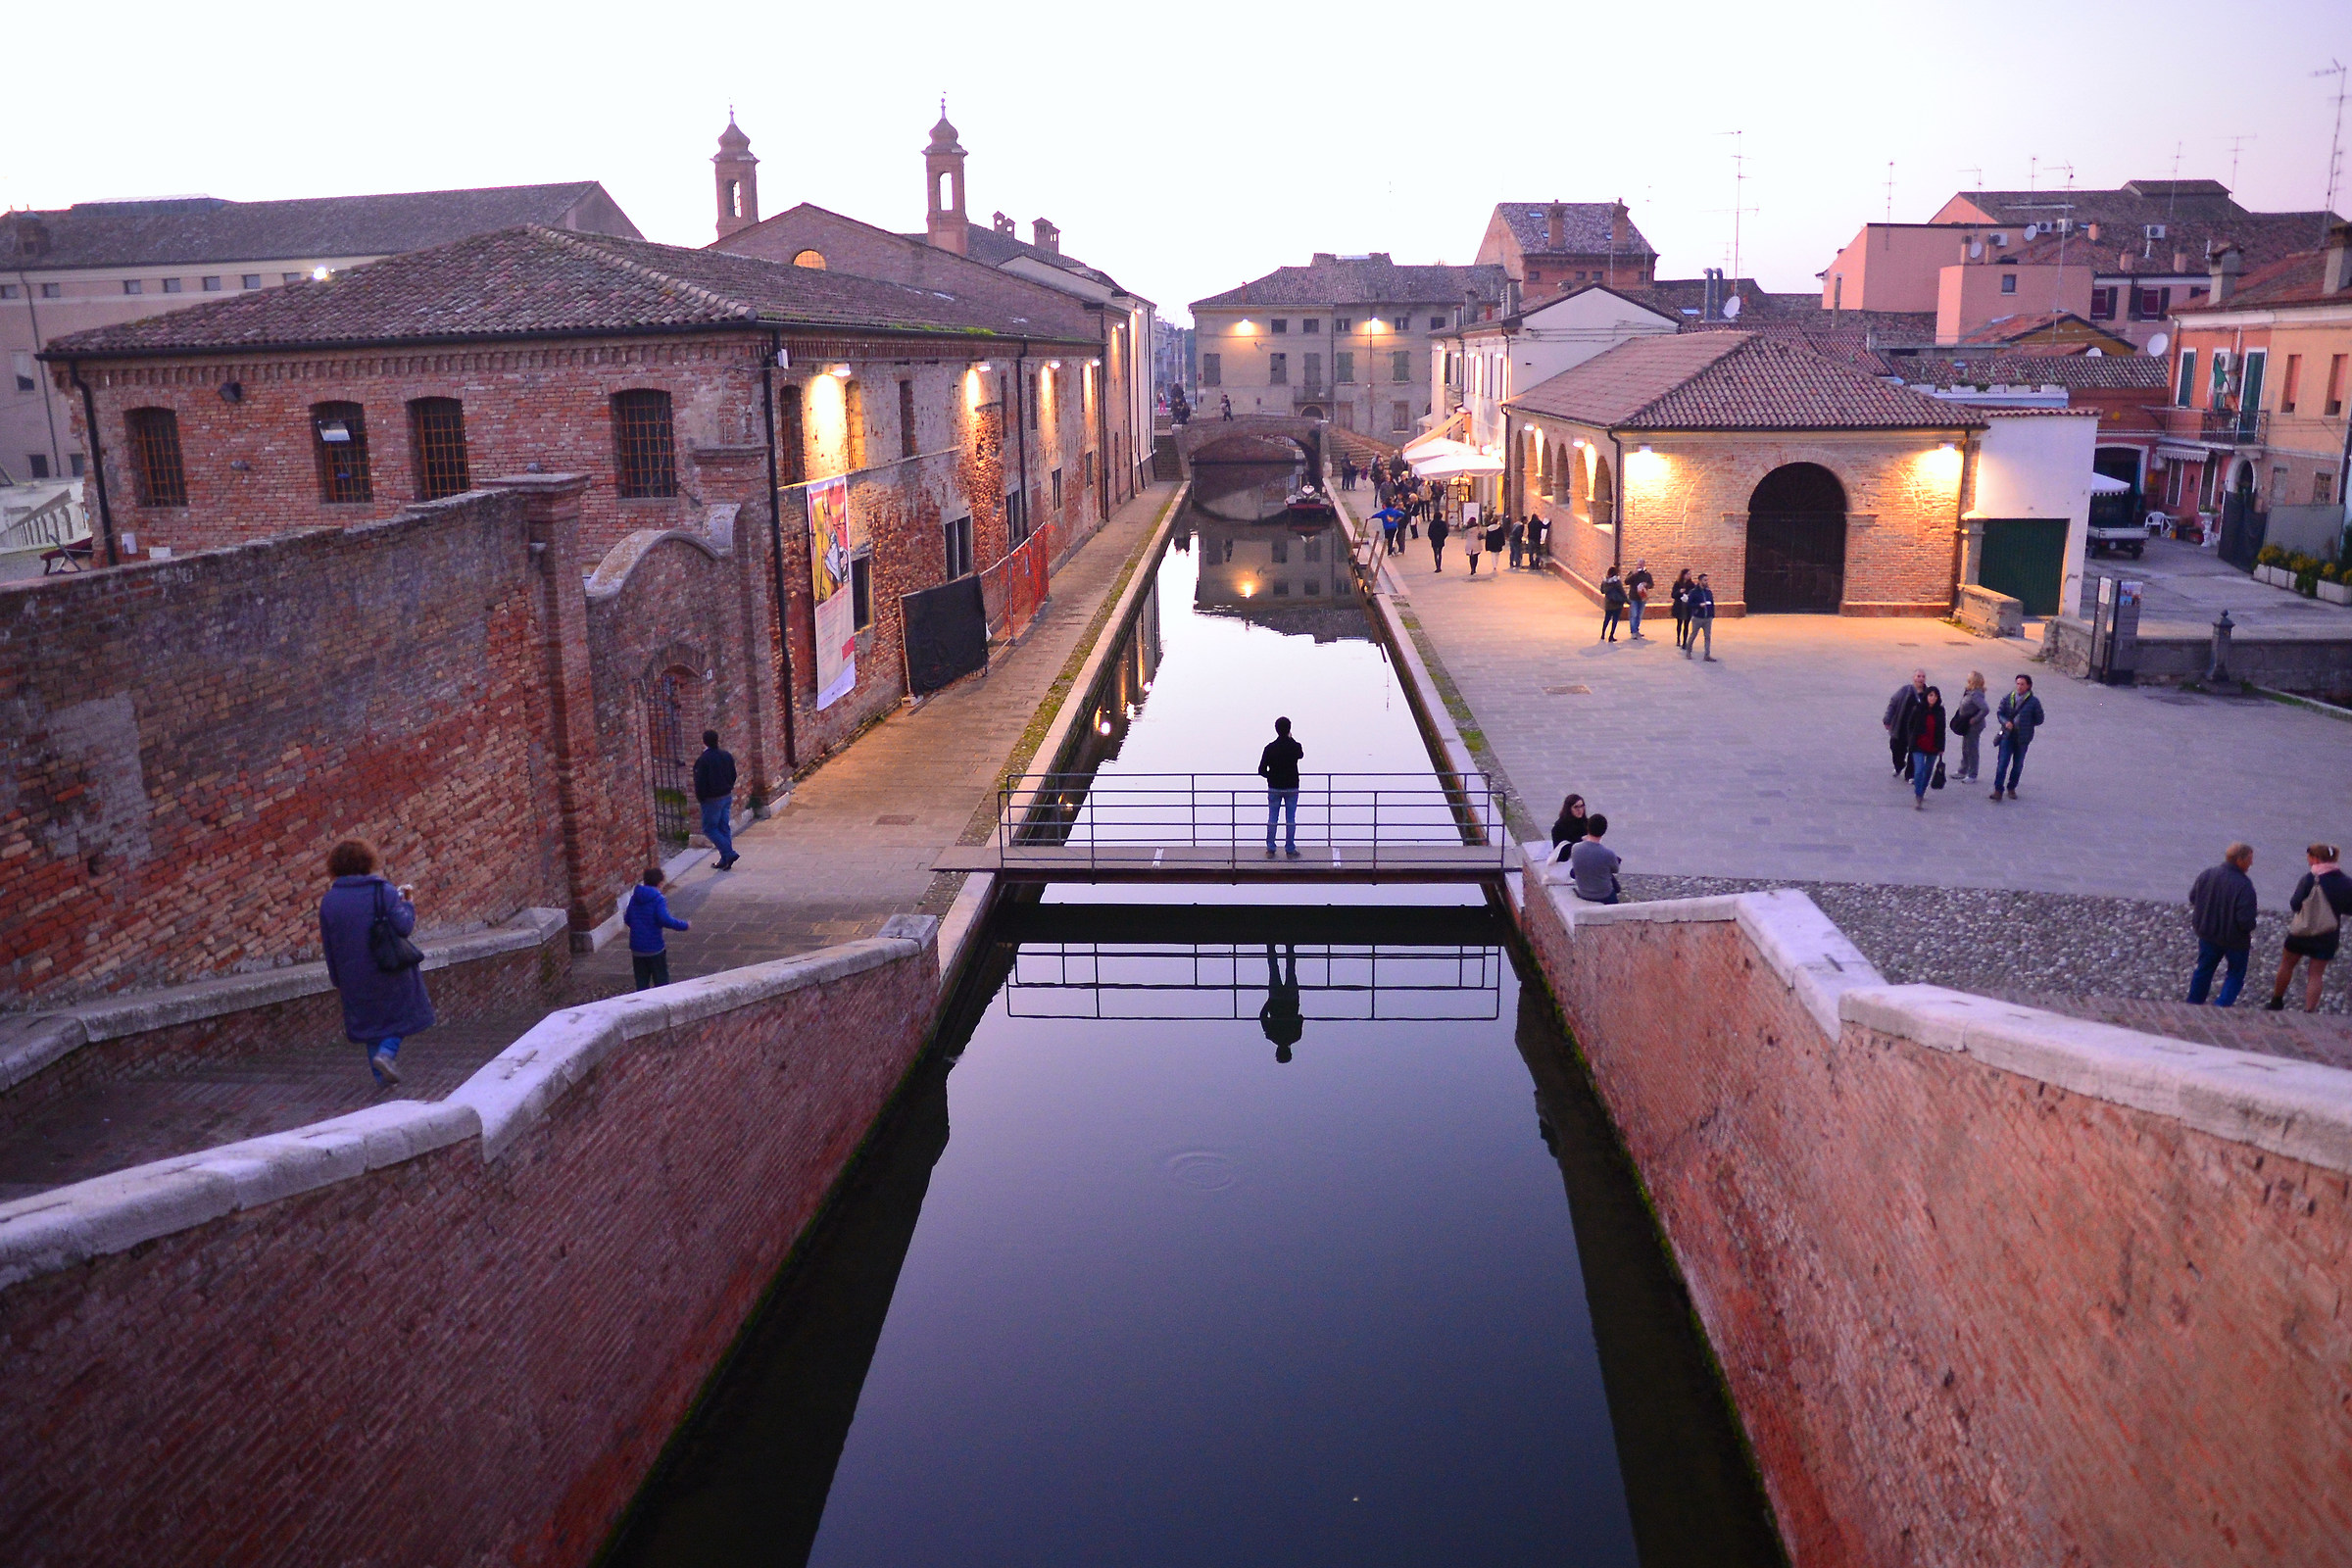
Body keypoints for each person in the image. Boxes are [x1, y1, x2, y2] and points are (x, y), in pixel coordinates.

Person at [318, 839, 434, 1086]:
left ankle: (382, 1079)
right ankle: (387, 1053)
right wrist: (408, 905)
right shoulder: (384, 891)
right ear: (367, 861)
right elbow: (403, 927)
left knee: (371, 1024)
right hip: (388, 968)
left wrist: (337, 977)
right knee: (403, 1014)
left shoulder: (329, 901)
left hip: (353, 973)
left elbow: (329, 944)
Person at [2267, 843, 2352, 1012]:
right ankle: (2309, 1011)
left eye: (2309, 857)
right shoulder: (2346, 882)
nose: (2308, 861)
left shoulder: (2309, 879)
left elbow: (2295, 904)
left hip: (2301, 932)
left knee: (2287, 964)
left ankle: (2276, 1001)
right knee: (2316, 974)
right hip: (2327, 933)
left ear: (2315, 858)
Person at [2186, 843, 2258, 1006]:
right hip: (2235, 940)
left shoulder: (2207, 875)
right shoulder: (2244, 885)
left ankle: (2193, 1003)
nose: (2251, 863)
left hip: (2207, 934)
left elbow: (2193, 898)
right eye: (2249, 859)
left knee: (2204, 970)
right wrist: (2250, 926)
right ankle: (2221, 1007)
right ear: (2240, 860)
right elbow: (2245, 920)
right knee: (2235, 974)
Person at [625, 866, 692, 990]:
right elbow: (664, 919)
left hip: (637, 947)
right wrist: (684, 925)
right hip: (654, 947)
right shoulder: (658, 899)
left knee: (641, 981)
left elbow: (628, 919)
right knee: (661, 980)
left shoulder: (635, 897)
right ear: (660, 883)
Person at [1989, 673, 2043, 802]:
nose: (2019, 686)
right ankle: (1998, 790)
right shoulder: (2008, 697)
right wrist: (2005, 722)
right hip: (2008, 735)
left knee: (2018, 765)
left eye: (2022, 684)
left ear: (2028, 686)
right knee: (2002, 763)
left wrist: (2027, 724)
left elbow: (2040, 719)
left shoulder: (2034, 702)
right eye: (2018, 684)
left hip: (2022, 738)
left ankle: (2012, 787)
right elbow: (2000, 713)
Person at [1258, 715, 1304, 859]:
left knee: (1273, 818)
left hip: (1274, 787)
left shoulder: (1269, 748)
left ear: (1276, 729)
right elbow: (1301, 755)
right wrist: (1291, 738)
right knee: (1290, 819)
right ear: (1289, 729)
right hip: (1291, 787)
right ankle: (1290, 849)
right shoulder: (1295, 746)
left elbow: (1261, 770)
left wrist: (1271, 776)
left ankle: (1270, 848)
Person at [695, 729, 740, 870]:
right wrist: (728, 787)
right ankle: (725, 859)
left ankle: (729, 853)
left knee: (709, 828)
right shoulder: (726, 756)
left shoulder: (703, 760)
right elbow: (733, 774)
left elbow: (700, 782)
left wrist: (701, 797)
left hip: (711, 799)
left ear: (704, 742)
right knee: (723, 827)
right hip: (726, 796)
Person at [1260, 945, 1303, 1063]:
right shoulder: (1271, 1036)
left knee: (1290, 969)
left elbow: (1300, 1018)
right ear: (1277, 1051)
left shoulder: (1296, 1036)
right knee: (1273, 968)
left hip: (1291, 999)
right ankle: (1270, 945)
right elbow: (1262, 1016)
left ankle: (1289, 945)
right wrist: (1270, 1001)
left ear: (1289, 1051)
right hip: (1276, 999)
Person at [1566, 813, 1622, 905]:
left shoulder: (1575, 848)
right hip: (1604, 895)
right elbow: (1615, 870)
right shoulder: (1608, 853)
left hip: (1583, 892)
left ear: (1588, 828)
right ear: (1604, 831)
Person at [1884, 668, 1928, 781]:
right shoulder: (1905, 690)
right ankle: (1899, 765)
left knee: (1914, 751)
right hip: (1902, 726)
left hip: (1917, 729)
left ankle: (1910, 775)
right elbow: (1893, 703)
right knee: (1896, 748)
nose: (1921, 679)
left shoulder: (1928, 693)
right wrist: (1887, 719)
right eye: (1918, 676)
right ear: (1913, 678)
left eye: (1923, 676)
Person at [1906, 686, 1946, 808]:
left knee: (1928, 771)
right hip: (1918, 745)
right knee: (1919, 770)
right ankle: (1918, 795)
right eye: (1930, 695)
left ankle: (1922, 791)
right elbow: (1910, 725)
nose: (1933, 698)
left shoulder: (1940, 711)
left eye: (1935, 696)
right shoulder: (1918, 709)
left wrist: (1941, 747)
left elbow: (1942, 730)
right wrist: (1911, 740)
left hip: (1933, 746)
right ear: (1926, 696)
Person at [1950, 672, 1989, 783]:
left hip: (1974, 727)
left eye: (1969, 678)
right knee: (1965, 748)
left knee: (1972, 749)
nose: (1967, 680)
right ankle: (1963, 770)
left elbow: (1985, 709)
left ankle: (1972, 774)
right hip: (1967, 724)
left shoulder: (1976, 695)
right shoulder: (1971, 692)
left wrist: (1975, 719)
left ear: (1973, 681)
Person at [1686, 574, 1717, 660]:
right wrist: (1699, 605)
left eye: (1707, 580)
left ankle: (1707, 655)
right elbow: (1689, 604)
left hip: (1708, 618)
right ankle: (1688, 651)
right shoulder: (1694, 592)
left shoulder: (1708, 592)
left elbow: (1712, 604)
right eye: (1704, 580)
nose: (1706, 582)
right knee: (1693, 634)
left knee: (1707, 636)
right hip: (1698, 617)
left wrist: (1712, 615)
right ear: (1700, 581)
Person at [1549, 793, 1590, 859]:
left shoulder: (1586, 823)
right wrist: (1581, 840)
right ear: (1569, 809)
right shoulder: (1559, 827)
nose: (1580, 810)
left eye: (1582, 806)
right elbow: (1560, 852)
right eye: (1576, 807)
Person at [1625, 560, 1654, 640]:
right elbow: (1626, 582)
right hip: (1633, 597)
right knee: (1633, 614)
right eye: (1639, 564)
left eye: (1641, 564)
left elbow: (1651, 584)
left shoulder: (1647, 574)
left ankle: (1636, 630)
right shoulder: (1633, 573)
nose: (1640, 566)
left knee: (1639, 615)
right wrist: (1633, 574)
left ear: (1644, 565)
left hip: (1642, 597)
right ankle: (1633, 632)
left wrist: (1646, 585)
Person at [1669, 568, 1694, 650]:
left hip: (1687, 606)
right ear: (1683, 575)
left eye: (1690, 574)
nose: (1689, 576)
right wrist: (1679, 592)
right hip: (1679, 606)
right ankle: (1678, 639)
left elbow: (1693, 594)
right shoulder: (1677, 583)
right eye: (1687, 574)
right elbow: (1673, 595)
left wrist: (1689, 596)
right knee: (1679, 623)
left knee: (1686, 625)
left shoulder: (1691, 584)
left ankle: (1684, 642)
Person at [1599, 566, 1626, 642]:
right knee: (1615, 620)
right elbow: (1622, 592)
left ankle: (1603, 634)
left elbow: (1602, 591)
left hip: (1608, 604)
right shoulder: (1617, 582)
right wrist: (1627, 600)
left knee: (1606, 619)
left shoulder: (1605, 582)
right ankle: (1611, 636)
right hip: (1617, 604)